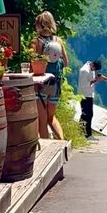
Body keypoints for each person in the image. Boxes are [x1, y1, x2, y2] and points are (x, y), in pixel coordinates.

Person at [31, 11, 69, 140]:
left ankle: (47, 148)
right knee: (50, 117)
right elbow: (66, 62)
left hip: (42, 83)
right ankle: (62, 143)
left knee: (42, 120)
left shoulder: (36, 42)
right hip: (56, 83)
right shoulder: (58, 40)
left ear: (38, 25)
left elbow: (32, 61)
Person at [78, 59, 102, 142]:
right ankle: (86, 134)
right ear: (92, 65)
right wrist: (95, 80)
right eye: (94, 69)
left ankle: (82, 132)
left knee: (88, 114)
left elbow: (91, 81)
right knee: (86, 114)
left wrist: (95, 79)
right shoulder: (84, 70)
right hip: (84, 95)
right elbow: (84, 85)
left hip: (89, 94)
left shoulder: (91, 68)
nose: (93, 71)